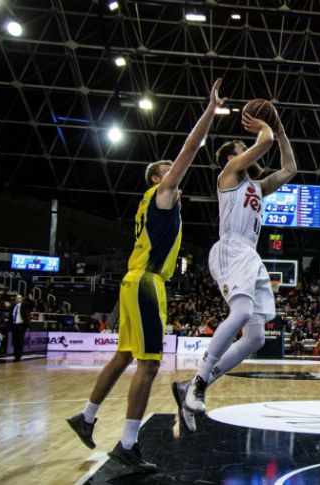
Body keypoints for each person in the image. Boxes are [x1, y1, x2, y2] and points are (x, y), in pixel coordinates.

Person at [65, 79, 225, 474]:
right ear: (158, 178)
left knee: (123, 356)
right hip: (147, 283)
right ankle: (127, 445)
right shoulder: (162, 194)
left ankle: (86, 416)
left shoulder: (152, 205)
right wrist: (210, 112)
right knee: (149, 365)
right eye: (168, 171)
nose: (175, 174)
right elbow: (190, 149)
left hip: (133, 281)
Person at [171, 106, 297, 433]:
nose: (248, 148)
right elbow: (265, 142)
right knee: (241, 313)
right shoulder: (228, 174)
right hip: (231, 247)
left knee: (256, 338)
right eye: (243, 147)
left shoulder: (258, 186)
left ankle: (191, 385)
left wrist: (280, 131)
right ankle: (199, 382)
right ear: (232, 157)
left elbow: (290, 168)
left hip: (250, 255)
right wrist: (266, 127)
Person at [10, 294, 33, 362]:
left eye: (19, 298)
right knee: (14, 341)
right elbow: (11, 316)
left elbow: (30, 306)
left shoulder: (24, 305)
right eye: (17, 298)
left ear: (22, 299)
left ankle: (18, 356)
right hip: (14, 325)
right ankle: (15, 355)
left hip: (21, 325)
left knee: (20, 341)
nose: (18, 299)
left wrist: (31, 300)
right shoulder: (13, 305)